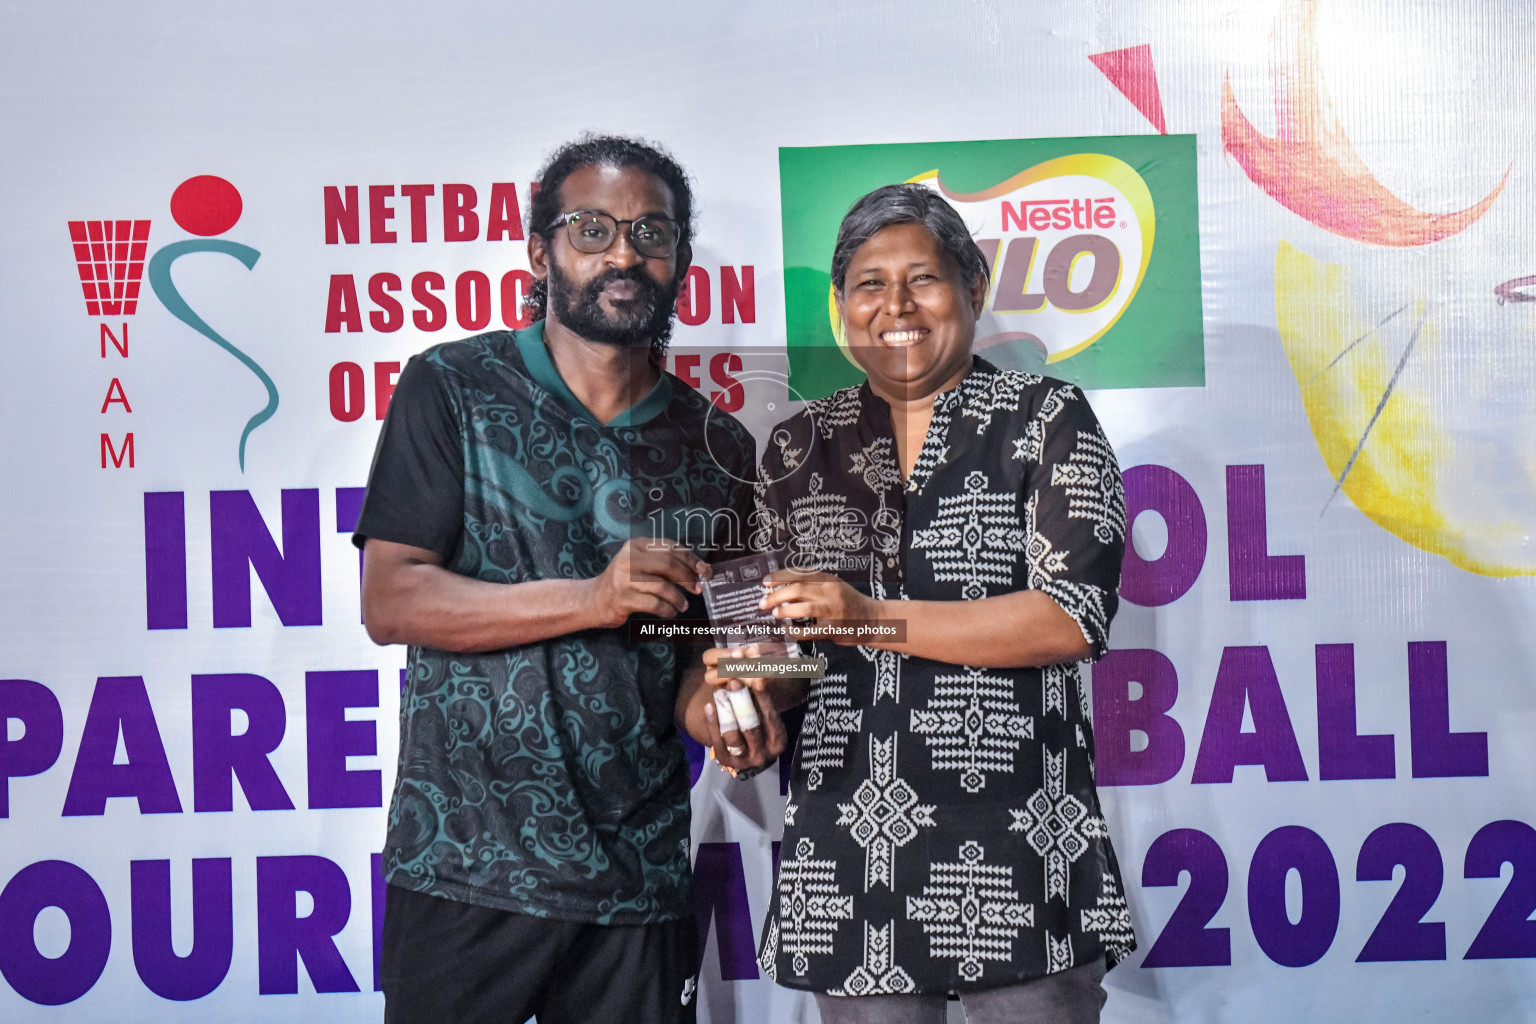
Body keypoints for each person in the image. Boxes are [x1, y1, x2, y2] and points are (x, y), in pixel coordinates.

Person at [352, 134, 772, 1024]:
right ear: (542, 253)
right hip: (468, 868)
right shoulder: (452, 388)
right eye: (593, 230)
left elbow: (706, 660)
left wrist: (730, 710)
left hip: (640, 881)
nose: (625, 252)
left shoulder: (720, 447)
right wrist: (592, 596)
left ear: (679, 262)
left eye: (652, 234)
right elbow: (392, 600)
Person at [719, 183, 1135, 1023]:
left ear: (972, 290)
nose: (896, 306)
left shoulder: (1047, 417)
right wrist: (746, 705)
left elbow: (1069, 617)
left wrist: (866, 616)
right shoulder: (796, 447)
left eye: (923, 279)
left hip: (1017, 848)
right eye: (869, 284)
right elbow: (779, 648)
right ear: (841, 309)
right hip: (846, 852)